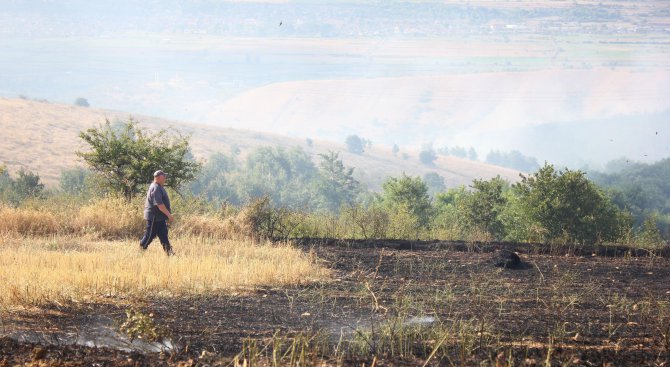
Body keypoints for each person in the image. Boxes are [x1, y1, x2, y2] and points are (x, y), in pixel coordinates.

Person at [140, 170, 175, 256]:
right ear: (158, 178)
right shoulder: (156, 188)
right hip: (154, 217)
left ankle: (169, 253)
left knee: (163, 234)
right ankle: (141, 249)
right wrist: (169, 215)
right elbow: (160, 205)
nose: (165, 178)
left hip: (159, 217)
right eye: (164, 177)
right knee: (150, 235)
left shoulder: (158, 186)